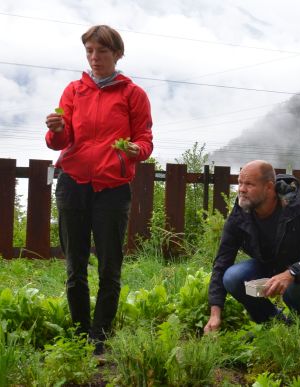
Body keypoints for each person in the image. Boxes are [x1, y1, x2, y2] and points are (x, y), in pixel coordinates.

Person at [44, 25, 153, 353]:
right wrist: (56, 130)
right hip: (72, 184)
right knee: (74, 266)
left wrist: (136, 150)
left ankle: (99, 337)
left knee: (109, 265)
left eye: (101, 52)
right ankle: (80, 335)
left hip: (113, 189)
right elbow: (59, 143)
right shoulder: (74, 91)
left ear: (117, 54)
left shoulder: (133, 94)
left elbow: (145, 139)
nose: (94, 58)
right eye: (90, 51)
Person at [204, 160, 300, 332]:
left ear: (268, 187)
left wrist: (291, 273)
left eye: (249, 184)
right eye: (240, 183)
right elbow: (222, 262)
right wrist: (215, 313)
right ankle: (273, 322)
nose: (242, 189)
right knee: (232, 277)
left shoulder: (297, 205)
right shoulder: (240, 213)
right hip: (269, 266)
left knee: (296, 284)